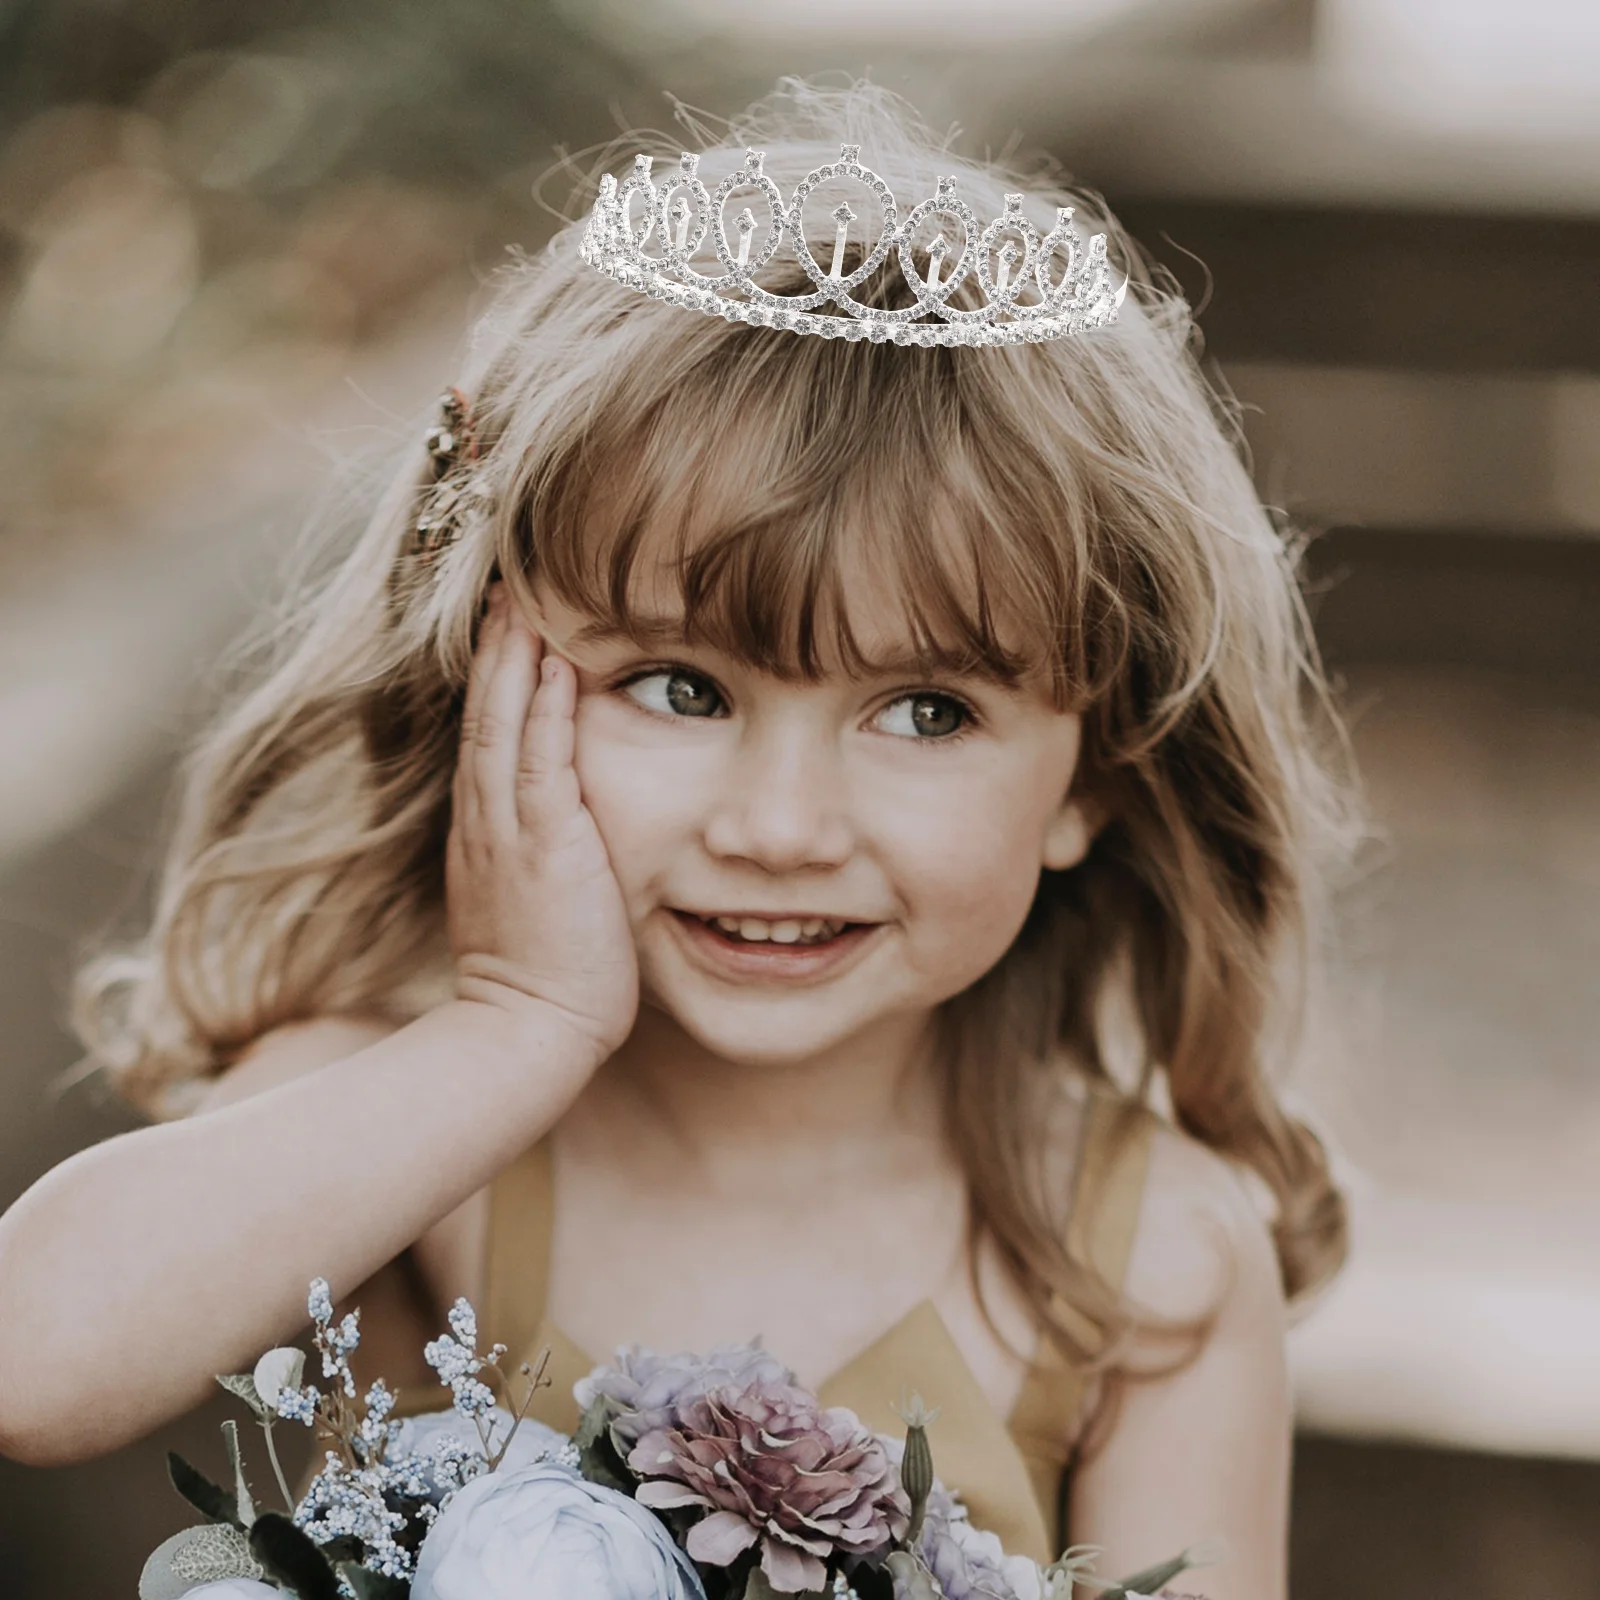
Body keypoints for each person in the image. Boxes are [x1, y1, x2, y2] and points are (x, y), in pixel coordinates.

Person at [0, 79, 1355, 1600]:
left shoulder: (1147, 1260)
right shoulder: (409, 1131)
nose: (779, 828)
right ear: (483, 669)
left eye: (925, 713)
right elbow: (30, 1366)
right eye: (678, 686)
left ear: (1097, 776)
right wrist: (520, 1035)